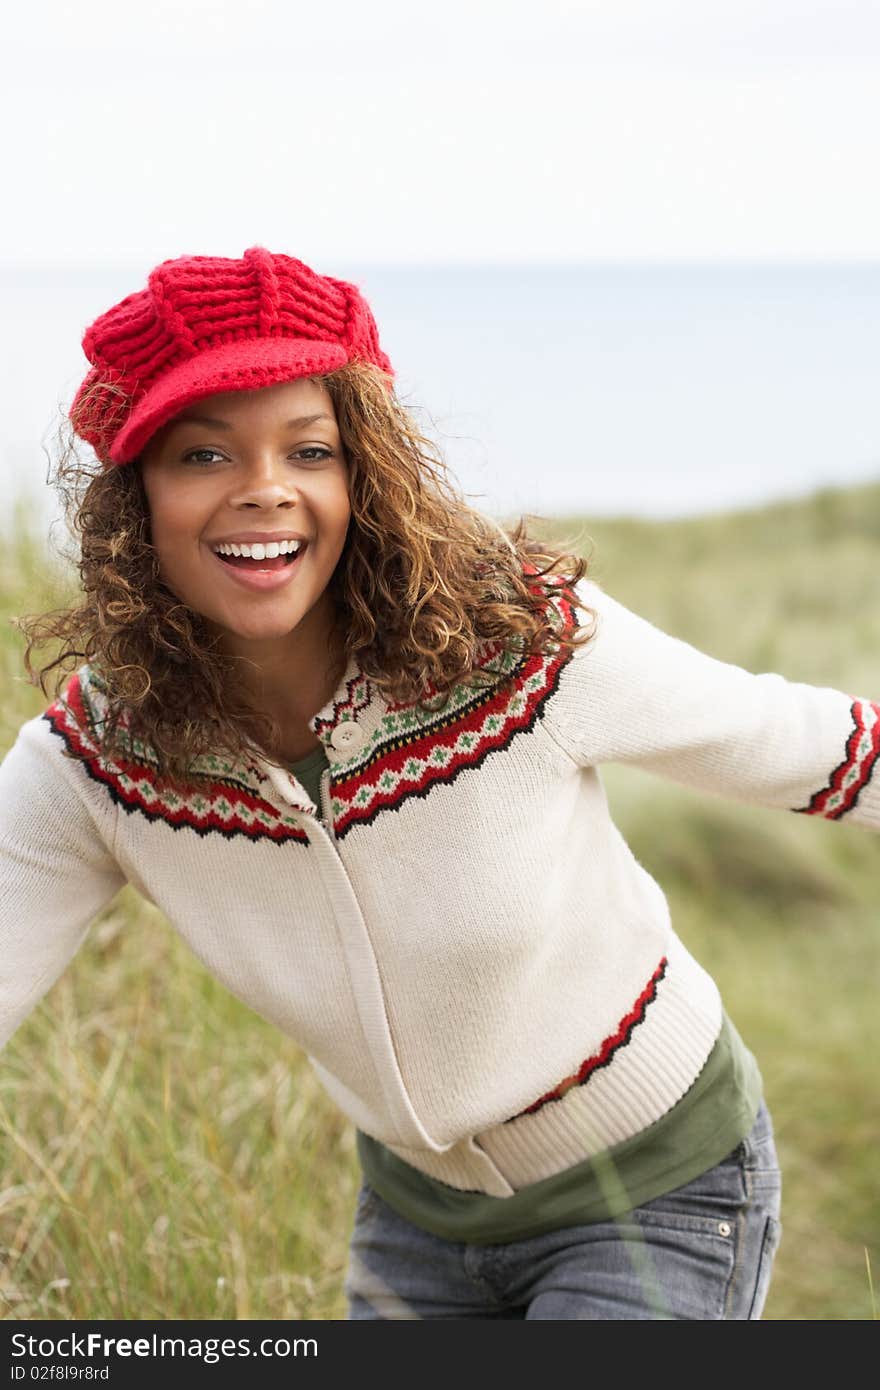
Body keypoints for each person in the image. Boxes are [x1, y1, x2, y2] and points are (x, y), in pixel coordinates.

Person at [1, 247, 877, 1321]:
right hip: (417, 1226)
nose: (264, 486)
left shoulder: (519, 643)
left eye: (309, 448)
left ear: (362, 473)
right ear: (137, 500)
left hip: (658, 1189)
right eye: (202, 454)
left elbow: (810, 746)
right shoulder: (97, 761)